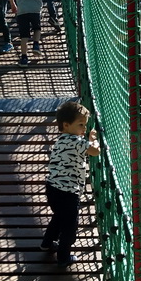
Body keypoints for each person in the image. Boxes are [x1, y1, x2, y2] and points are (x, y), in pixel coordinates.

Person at [40, 100, 101, 267]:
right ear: (66, 125)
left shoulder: (60, 140)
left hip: (52, 188)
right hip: (68, 193)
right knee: (69, 226)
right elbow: (95, 151)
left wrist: (85, 138)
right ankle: (63, 257)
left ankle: (46, 243)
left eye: (85, 125)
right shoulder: (77, 141)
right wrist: (93, 139)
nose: (84, 128)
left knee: (59, 217)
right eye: (81, 125)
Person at [7, 0, 71, 68]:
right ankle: (36, 45)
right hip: (35, 8)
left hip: (22, 10)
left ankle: (24, 58)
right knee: (37, 29)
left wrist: (13, 4)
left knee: (24, 35)